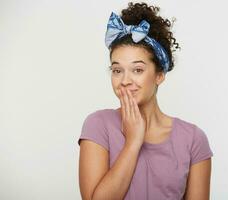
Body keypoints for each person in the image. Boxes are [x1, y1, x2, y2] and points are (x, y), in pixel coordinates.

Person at [77, 2, 213, 200]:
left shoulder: (193, 140)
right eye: (117, 70)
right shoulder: (98, 125)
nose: (124, 81)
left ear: (159, 75)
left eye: (137, 70)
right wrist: (133, 143)